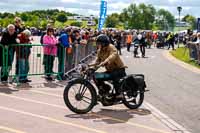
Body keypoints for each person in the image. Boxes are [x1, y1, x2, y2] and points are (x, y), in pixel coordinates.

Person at [89, 34, 127, 98]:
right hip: (110, 70)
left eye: (99, 43)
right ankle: (105, 90)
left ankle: (119, 93)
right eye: (98, 43)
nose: (98, 45)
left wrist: (105, 61)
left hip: (119, 69)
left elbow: (113, 55)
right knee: (97, 76)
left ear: (104, 43)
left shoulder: (111, 47)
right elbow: (97, 61)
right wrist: (90, 67)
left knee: (114, 75)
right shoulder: (100, 51)